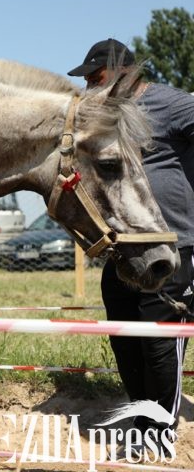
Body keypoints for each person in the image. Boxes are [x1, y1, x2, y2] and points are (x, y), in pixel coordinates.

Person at [68, 39, 194, 455]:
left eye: (95, 76)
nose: (89, 84)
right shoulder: (105, 119)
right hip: (125, 250)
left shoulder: (172, 105)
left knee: (159, 340)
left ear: (125, 71)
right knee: (125, 334)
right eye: (86, 78)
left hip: (171, 247)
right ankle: (142, 417)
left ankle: (159, 432)